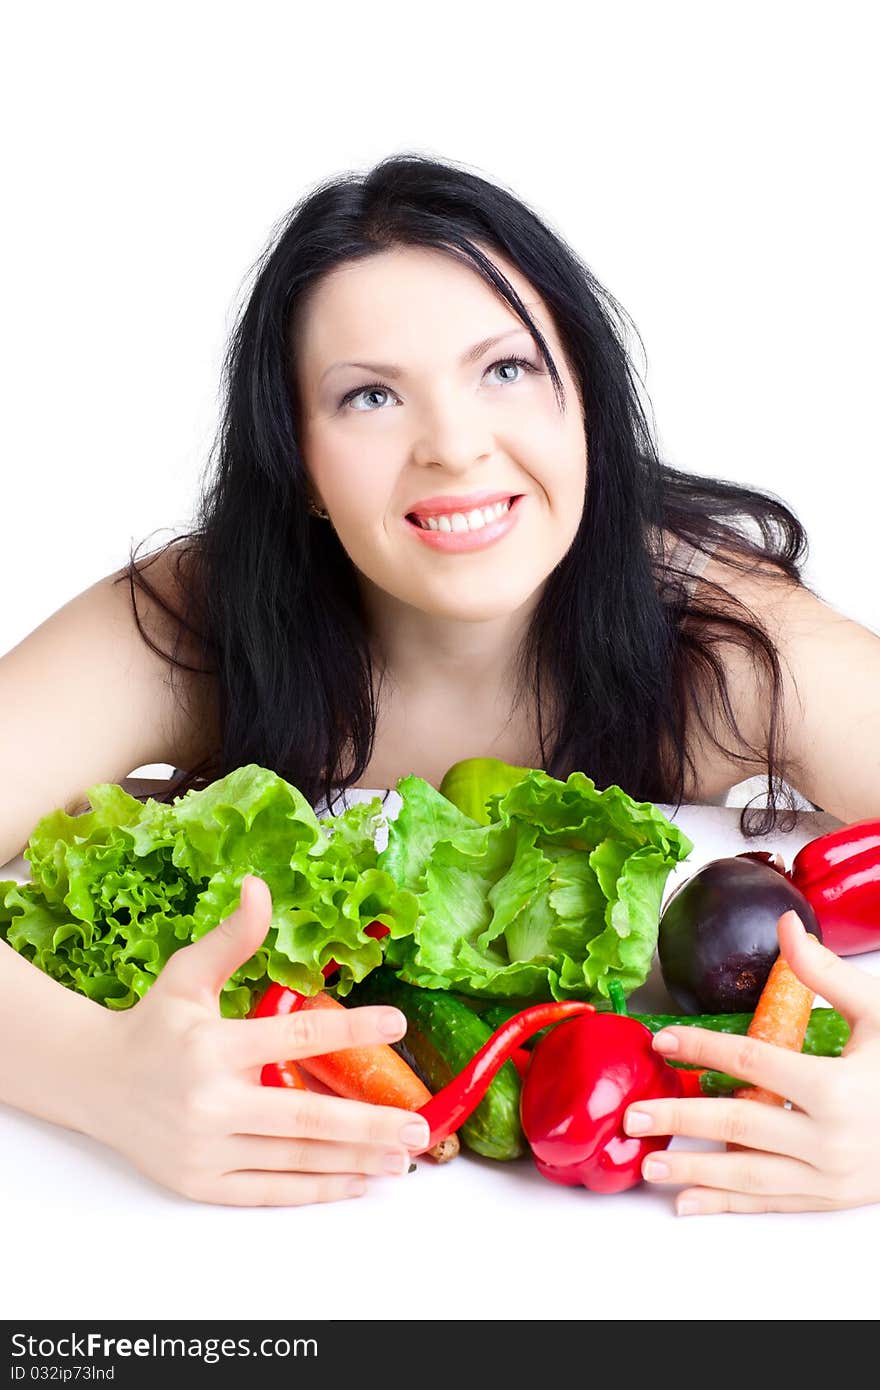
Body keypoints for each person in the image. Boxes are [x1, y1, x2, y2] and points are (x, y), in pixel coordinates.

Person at [1, 153, 879, 1215]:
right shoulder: (201, 617)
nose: (456, 447)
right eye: (370, 395)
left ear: (585, 401)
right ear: (302, 463)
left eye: (504, 370)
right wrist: (97, 1077)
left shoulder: (720, 640)